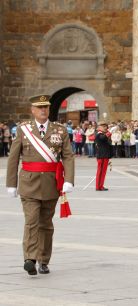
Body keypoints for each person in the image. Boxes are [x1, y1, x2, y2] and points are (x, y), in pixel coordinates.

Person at [6, 94, 74, 275]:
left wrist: (69, 180)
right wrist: (11, 183)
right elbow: (13, 158)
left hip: (51, 183)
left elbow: (68, 156)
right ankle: (30, 258)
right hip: (29, 183)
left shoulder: (60, 130)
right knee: (31, 221)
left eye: (46, 107)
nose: (43, 110)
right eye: (40, 107)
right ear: (33, 110)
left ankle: (44, 260)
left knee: (46, 224)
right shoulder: (23, 130)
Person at [95, 122, 112, 191]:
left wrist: (108, 131)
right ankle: (98, 186)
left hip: (105, 155)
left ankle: (100, 185)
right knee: (100, 171)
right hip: (102, 155)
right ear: (99, 127)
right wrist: (109, 132)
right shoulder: (99, 134)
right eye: (103, 126)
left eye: (106, 126)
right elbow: (103, 138)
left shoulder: (102, 134)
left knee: (103, 172)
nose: (105, 127)